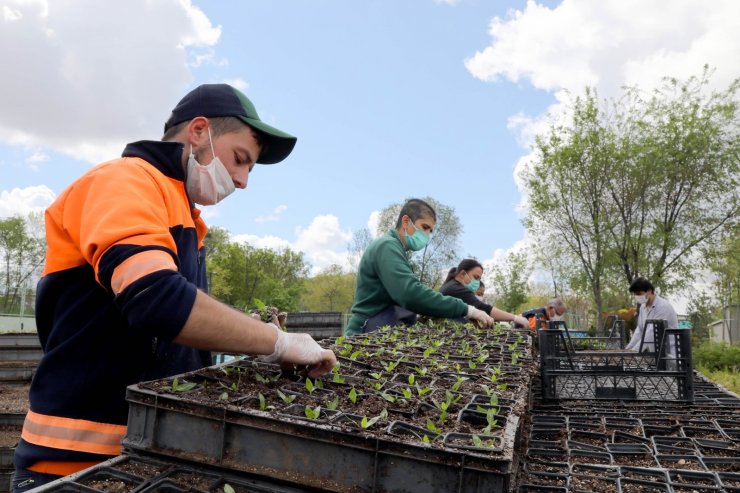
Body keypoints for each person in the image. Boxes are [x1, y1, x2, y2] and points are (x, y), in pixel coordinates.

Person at [12, 84, 337, 492]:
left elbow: (164, 329)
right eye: (241, 160)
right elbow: (157, 300)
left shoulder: (180, 212)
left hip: (140, 453)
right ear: (199, 131)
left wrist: (248, 332)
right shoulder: (123, 181)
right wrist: (276, 341)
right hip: (76, 462)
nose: (241, 181)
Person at [345, 199, 494, 336]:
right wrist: (466, 309)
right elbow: (409, 293)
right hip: (364, 332)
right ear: (405, 221)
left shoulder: (396, 249)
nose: (427, 236)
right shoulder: (387, 246)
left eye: (430, 231)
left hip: (377, 328)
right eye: (425, 227)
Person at [439, 259, 529, 327]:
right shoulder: (456, 289)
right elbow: (484, 308)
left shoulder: (451, 286)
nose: (477, 282)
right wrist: (515, 318)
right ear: (462, 274)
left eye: (479, 279)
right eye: (476, 277)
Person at [625, 277, 678, 352]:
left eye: (639, 293)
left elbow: (651, 332)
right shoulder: (643, 307)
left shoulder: (662, 306)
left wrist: (634, 351)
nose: (637, 297)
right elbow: (639, 331)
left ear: (649, 291)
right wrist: (628, 349)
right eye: (635, 294)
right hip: (656, 354)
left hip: (669, 354)